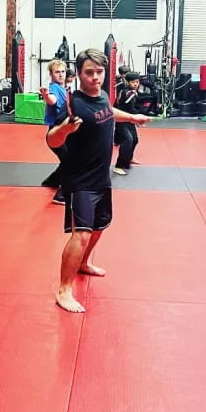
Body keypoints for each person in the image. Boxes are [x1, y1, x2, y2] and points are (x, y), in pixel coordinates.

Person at [47, 48, 151, 313]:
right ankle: (63, 290)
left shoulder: (103, 95)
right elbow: (52, 139)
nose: (95, 77)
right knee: (80, 234)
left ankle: (82, 264)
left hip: (101, 177)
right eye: (89, 72)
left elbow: (107, 110)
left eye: (99, 72)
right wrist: (65, 129)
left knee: (99, 227)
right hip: (79, 180)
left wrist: (131, 117)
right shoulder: (74, 103)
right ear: (79, 74)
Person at [39, 59, 69, 204]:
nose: (61, 75)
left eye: (63, 72)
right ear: (51, 74)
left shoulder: (64, 88)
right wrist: (46, 96)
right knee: (71, 161)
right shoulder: (54, 88)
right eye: (57, 72)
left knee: (68, 159)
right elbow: (52, 100)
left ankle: (51, 181)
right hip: (55, 133)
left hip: (63, 131)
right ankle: (61, 195)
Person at [113, 71, 142, 175]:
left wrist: (137, 119)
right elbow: (125, 96)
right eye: (133, 82)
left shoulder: (133, 92)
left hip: (129, 119)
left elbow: (131, 108)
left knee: (135, 139)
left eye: (137, 82)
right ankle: (119, 166)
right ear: (128, 82)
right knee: (128, 140)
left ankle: (129, 158)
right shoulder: (125, 92)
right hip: (121, 119)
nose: (135, 84)